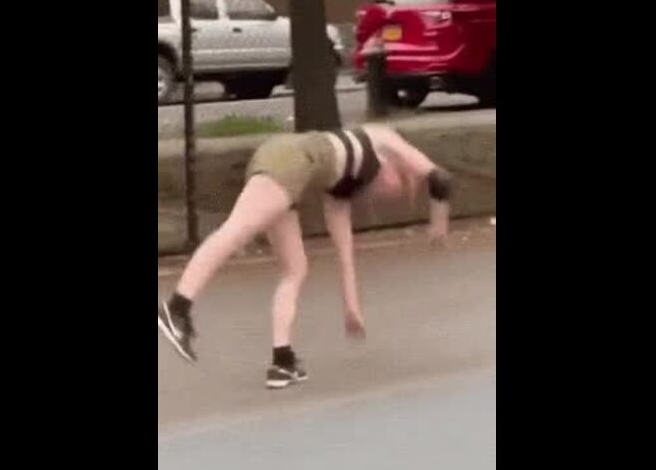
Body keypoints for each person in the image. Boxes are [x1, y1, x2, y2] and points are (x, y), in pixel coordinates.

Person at [157, 123, 453, 389]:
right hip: (292, 160)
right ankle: (177, 308)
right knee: (236, 231)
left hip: (286, 162)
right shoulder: (383, 138)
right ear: (397, 170)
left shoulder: (341, 189)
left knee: (295, 268)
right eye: (399, 187)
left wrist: (351, 307)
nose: (388, 194)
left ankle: (282, 361)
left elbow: (345, 253)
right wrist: (438, 224)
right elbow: (440, 179)